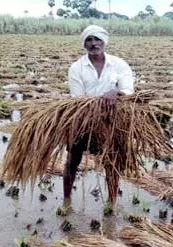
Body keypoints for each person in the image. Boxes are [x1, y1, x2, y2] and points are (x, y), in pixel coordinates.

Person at [63, 25, 135, 212]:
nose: (94, 43)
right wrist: (98, 104)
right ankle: (67, 200)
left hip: (112, 120)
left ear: (104, 41)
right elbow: (78, 99)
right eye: (89, 40)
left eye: (97, 39)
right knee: (72, 159)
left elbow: (128, 90)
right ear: (84, 44)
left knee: (112, 162)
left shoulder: (119, 64)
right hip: (83, 119)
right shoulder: (77, 68)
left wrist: (116, 91)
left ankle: (111, 202)